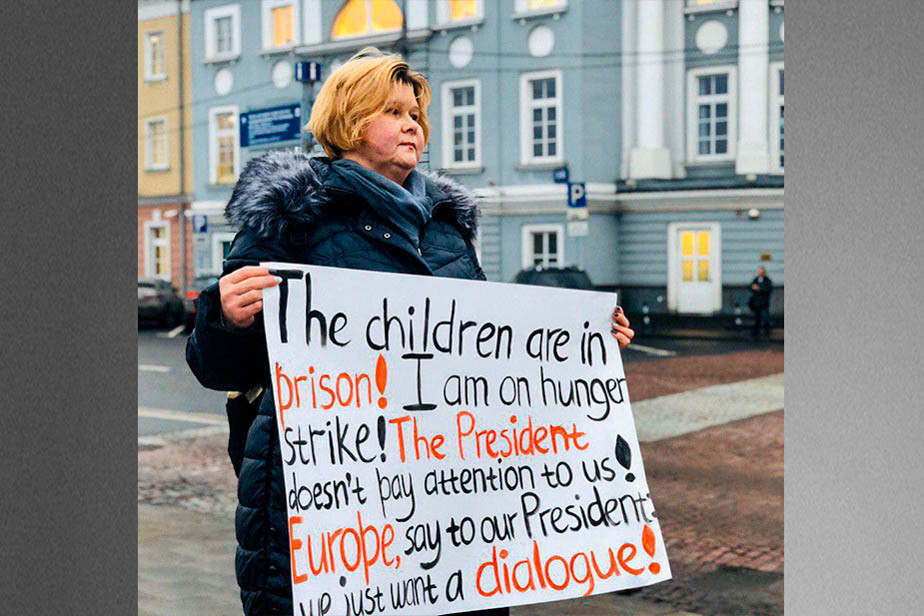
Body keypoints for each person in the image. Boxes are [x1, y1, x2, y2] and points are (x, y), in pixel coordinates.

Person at [187, 47, 635, 616]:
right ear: (350, 123)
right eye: (394, 112)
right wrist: (225, 317)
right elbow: (216, 367)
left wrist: (581, 346)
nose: (412, 126)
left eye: (417, 115)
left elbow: (487, 355)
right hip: (333, 506)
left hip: (445, 499)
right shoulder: (290, 217)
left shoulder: (447, 229)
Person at [748, 265, 773, 337]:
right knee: (757, 318)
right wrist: (753, 287)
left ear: (764, 272)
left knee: (765, 318)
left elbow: (768, 288)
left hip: (764, 303)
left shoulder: (767, 280)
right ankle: (756, 332)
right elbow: (750, 287)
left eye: (761, 272)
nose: (760, 273)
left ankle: (767, 332)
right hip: (756, 303)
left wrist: (759, 288)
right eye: (759, 272)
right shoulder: (756, 279)